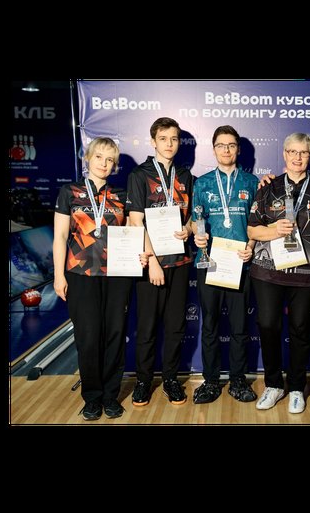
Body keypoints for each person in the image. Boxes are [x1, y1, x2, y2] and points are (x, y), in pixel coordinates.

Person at [53, 137, 139, 420]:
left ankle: (111, 396)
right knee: (88, 337)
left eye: (110, 159)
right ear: (87, 158)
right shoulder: (70, 192)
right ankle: (92, 398)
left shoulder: (121, 195)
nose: (104, 163)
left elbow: (132, 232)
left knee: (115, 335)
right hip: (81, 274)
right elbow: (60, 237)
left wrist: (140, 254)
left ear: (115, 165)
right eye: (99, 157)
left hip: (117, 275)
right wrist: (58, 275)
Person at [248, 133, 310, 414]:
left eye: (303, 153)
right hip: (268, 272)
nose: (298, 157)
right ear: (284, 154)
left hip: (307, 273)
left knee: (301, 330)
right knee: (268, 326)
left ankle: (297, 387)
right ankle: (273, 385)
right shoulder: (268, 187)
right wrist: (275, 231)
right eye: (293, 152)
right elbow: (252, 230)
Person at [126, 117, 194, 406]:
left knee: (176, 325)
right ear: (153, 141)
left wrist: (188, 229)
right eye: (164, 138)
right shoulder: (139, 175)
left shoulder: (186, 175)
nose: (169, 144)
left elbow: (193, 217)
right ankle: (143, 381)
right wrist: (152, 260)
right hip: (150, 263)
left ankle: (170, 379)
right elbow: (135, 220)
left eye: (174, 139)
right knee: (147, 326)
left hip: (180, 261)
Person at [190, 126, 258, 404]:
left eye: (231, 145)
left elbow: (257, 223)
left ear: (238, 149)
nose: (226, 150)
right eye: (221, 145)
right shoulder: (203, 183)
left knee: (240, 326)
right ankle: (210, 381)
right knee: (210, 325)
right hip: (210, 262)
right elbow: (196, 218)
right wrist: (197, 235)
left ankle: (238, 380)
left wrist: (251, 247)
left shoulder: (252, 182)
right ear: (214, 149)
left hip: (240, 263)